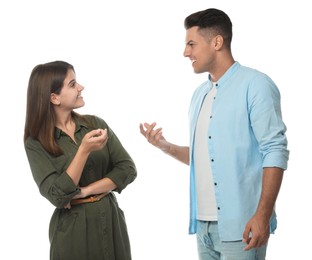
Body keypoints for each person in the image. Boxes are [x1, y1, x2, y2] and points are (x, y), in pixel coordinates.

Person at [140, 8, 289, 260]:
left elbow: (275, 151)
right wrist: (165, 146)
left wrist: (262, 215)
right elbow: (206, 157)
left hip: (243, 227)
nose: (186, 52)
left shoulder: (256, 85)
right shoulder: (199, 95)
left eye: (191, 44)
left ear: (217, 42)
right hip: (203, 227)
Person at [24, 60, 137, 260]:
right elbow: (57, 196)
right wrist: (83, 150)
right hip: (73, 232)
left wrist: (86, 191)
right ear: (54, 97)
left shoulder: (95, 124)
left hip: (111, 222)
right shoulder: (35, 142)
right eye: (72, 84)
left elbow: (127, 169)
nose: (81, 87)